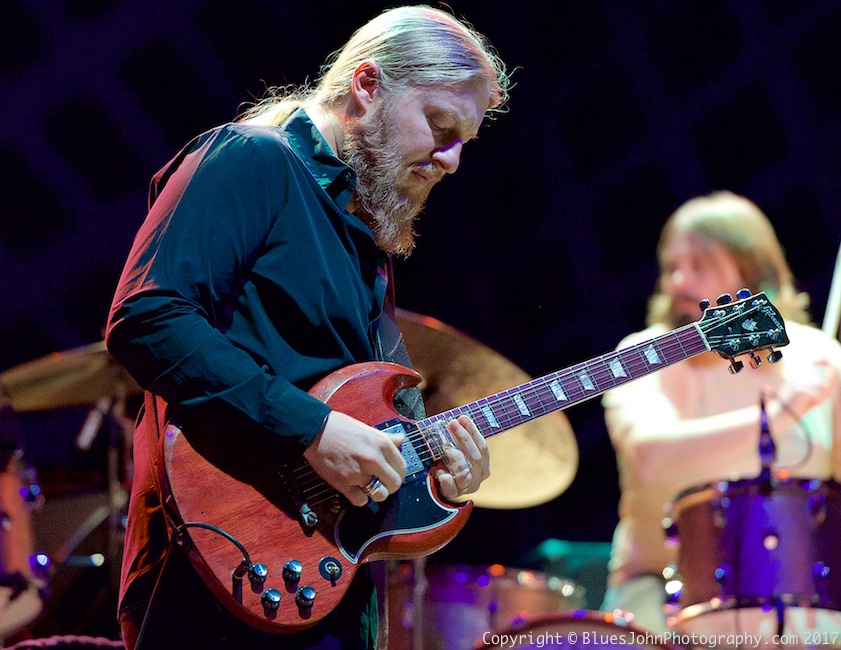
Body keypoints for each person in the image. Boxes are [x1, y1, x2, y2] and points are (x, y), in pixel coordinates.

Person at [105, 6, 510, 649]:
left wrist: (438, 471)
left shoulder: (365, 238)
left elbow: (357, 426)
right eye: (439, 126)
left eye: (465, 140)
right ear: (368, 85)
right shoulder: (250, 158)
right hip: (214, 570)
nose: (453, 160)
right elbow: (149, 318)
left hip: (319, 588)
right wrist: (311, 428)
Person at [599, 190, 841, 633]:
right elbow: (650, 458)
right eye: (671, 267)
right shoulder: (641, 354)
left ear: (751, 272)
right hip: (659, 587)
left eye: (699, 265)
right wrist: (777, 417)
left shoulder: (821, 359)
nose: (679, 281)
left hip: (804, 595)